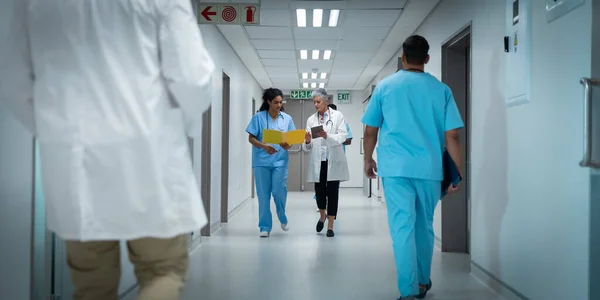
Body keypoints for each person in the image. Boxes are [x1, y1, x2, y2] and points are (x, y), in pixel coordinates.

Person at [0, 1, 215, 299]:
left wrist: (55, 131)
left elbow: (12, 81)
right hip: (149, 155)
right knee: (162, 270)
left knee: (91, 284)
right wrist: (187, 124)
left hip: (75, 160)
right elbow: (193, 80)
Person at [361, 35, 463, 300]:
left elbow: (371, 130)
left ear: (403, 57)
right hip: (429, 170)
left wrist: (368, 158)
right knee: (424, 227)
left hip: (394, 169)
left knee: (402, 228)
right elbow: (452, 136)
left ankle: (408, 291)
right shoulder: (442, 90)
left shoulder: (385, 87)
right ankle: (422, 283)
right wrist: (458, 174)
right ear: (427, 59)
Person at [246, 88, 295, 237]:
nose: (279, 105)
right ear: (268, 102)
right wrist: (264, 146)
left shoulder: (287, 119)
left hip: (280, 161)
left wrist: (288, 145)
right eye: (276, 102)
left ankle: (282, 215)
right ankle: (264, 227)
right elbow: (251, 138)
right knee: (263, 194)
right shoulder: (258, 118)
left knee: (279, 191)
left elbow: (291, 139)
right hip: (261, 161)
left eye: (281, 102)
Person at [303, 88, 350, 237]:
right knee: (320, 192)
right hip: (319, 161)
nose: (316, 105)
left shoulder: (337, 116)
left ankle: (330, 226)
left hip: (333, 160)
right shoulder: (311, 120)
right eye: (314, 102)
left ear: (326, 101)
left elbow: (343, 136)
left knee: (333, 193)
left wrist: (327, 136)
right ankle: (322, 216)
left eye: (318, 102)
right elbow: (306, 147)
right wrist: (308, 141)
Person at [313, 103, 353, 211]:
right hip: (321, 157)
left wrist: (334, 138)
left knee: (333, 185)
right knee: (320, 184)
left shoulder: (342, 123)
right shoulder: (318, 123)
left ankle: (330, 206)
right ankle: (321, 204)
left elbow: (348, 140)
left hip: (335, 158)